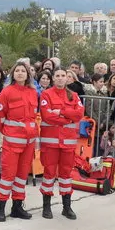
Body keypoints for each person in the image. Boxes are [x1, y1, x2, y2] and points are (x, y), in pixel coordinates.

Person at [0, 62, 38, 222]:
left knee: (21, 176)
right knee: (7, 176)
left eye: (23, 71)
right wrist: (7, 131)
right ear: (13, 74)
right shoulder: (7, 91)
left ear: (27, 75)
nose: (20, 73)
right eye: (17, 70)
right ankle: (0, 209)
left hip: (29, 142)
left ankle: (17, 206)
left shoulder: (32, 92)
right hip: (12, 142)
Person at [38, 68, 83, 220]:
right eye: (57, 76)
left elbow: (79, 115)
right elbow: (47, 116)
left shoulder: (74, 95)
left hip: (68, 143)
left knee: (66, 175)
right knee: (49, 174)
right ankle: (46, 206)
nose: (60, 78)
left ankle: (67, 207)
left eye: (63, 76)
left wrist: (61, 111)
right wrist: (68, 116)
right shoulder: (46, 94)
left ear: (67, 78)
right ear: (53, 78)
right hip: (50, 143)